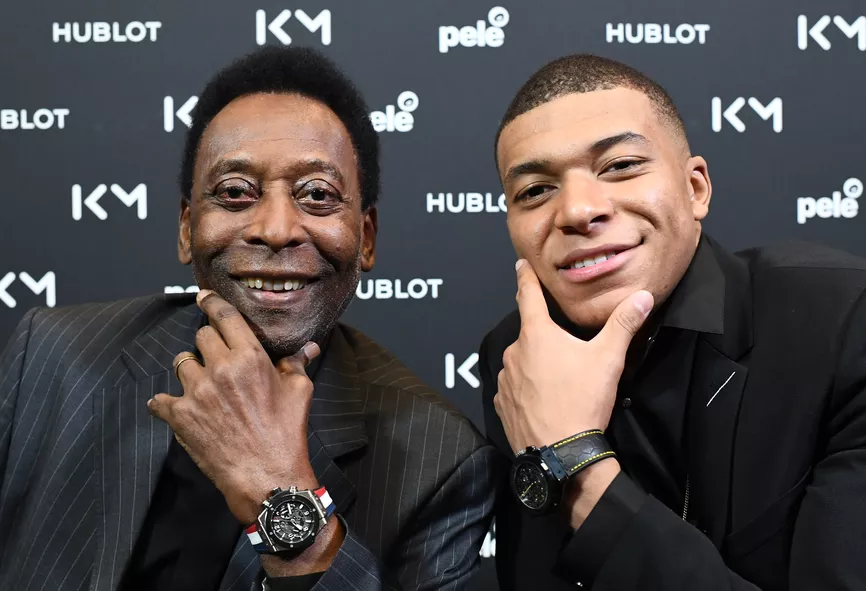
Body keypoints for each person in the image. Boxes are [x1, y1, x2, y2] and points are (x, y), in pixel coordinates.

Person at [0, 46, 498, 591]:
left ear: (366, 239)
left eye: (317, 194)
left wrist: (281, 495)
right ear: (187, 228)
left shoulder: (439, 460)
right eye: (235, 192)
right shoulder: (51, 356)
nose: (276, 229)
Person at [478, 54, 866, 590]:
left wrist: (578, 469)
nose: (576, 210)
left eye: (619, 166)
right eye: (534, 191)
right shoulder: (516, 356)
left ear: (696, 189)